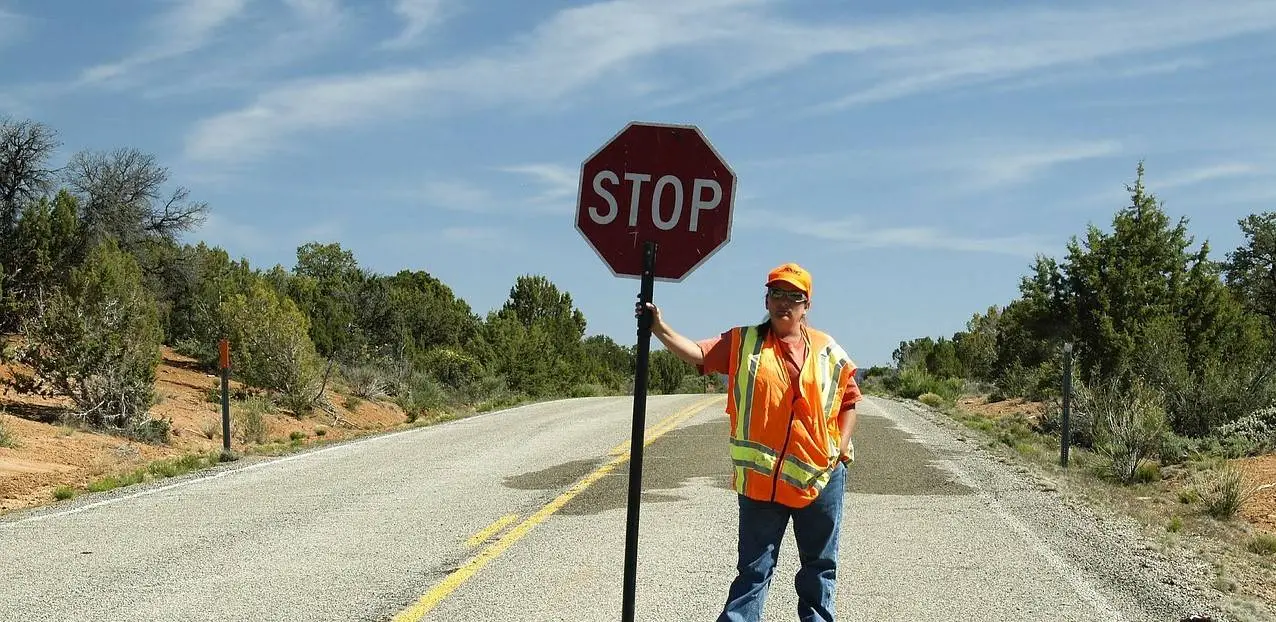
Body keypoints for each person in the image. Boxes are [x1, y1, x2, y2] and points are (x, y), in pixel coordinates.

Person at [635, 262, 861, 622]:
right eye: (776, 293)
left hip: (820, 479)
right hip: (763, 483)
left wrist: (838, 451)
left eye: (793, 296)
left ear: (807, 306)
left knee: (819, 569)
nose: (783, 302)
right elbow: (698, 353)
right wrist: (659, 327)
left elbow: (850, 401)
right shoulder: (743, 342)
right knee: (754, 573)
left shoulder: (827, 349)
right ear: (766, 299)